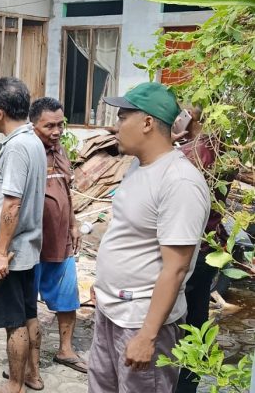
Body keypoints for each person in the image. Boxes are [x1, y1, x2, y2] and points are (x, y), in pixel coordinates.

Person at [88, 82, 210, 393]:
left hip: (140, 321)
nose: (115, 126)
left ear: (147, 123)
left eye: (122, 117)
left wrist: (148, 336)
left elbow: (176, 268)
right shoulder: (137, 168)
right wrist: (104, 286)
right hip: (110, 309)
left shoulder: (180, 181)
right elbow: (127, 233)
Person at [0, 77, 46, 393]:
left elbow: (12, 204)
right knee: (28, 314)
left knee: (14, 323)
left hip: (11, 253)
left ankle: (15, 386)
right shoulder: (33, 141)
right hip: (27, 249)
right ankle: (32, 375)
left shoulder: (18, 147)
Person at [174, 105, 233, 393]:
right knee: (198, 314)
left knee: (176, 315)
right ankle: (191, 380)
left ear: (191, 116)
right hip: (212, 243)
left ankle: (176, 381)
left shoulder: (189, 155)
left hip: (190, 243)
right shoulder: (226, 152)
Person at [28, 97, 86, 385]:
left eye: (60, 124)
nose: (56, 131)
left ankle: (65, 350)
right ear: (33, 124)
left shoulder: (61, 150)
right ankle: (29, 365)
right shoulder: (25, 151)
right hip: (32, 244)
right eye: (48, 125)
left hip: (61, 240)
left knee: (67, 297)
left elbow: (67, 190)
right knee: (27, 306)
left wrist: (73, 225)